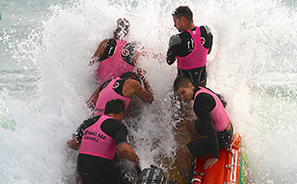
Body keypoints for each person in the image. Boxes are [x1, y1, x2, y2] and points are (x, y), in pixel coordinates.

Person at [173, 76, 233, 184]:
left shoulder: (198, 104)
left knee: (180, 155)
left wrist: (214, 156)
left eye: (183, 92)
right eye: (179, 95)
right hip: (228, 128)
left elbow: (210, 130)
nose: (182, 97)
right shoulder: (201, 89)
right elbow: (221, 101)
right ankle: (196, 153)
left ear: (190, 86)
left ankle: (187, 182)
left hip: (221, 137)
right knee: (189, 125)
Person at [67, 99, 140, 184]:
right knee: (130, 173)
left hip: (82, 172)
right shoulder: (118, 126)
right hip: (101, 174)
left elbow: (72, 143)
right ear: (120, 114)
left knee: (114, 155)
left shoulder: (89, 121)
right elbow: (124, 149)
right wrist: (138, 161)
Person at [167, 6, 213, 87]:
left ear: (183, 19)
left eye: (175, 21)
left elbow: (169, 61)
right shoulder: (206, 31)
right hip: (202, 85)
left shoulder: (177, 39)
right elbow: (208, 51)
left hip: (183, 90)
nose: (174, 25)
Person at [89, 18, 142, 84]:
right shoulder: (135, 49)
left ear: (114, 33)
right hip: (120, 90)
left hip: (101, 86)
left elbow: (92, 64)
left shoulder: (106, 43)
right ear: (128, 35)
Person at [86, 71, 154, 116]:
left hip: (94, 122)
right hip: (109, 126)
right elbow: (150, 99)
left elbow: (88, 105)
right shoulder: (131, 83)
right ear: (131, 78)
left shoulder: (105, 84)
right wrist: (144, 78)